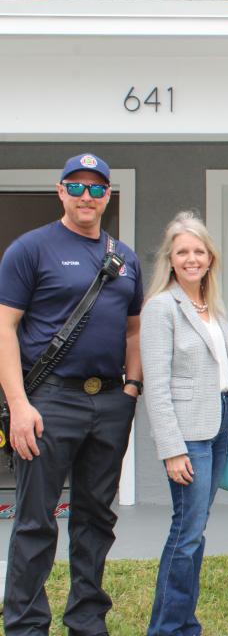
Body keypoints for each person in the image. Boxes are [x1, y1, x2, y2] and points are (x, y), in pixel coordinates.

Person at [0, 153, 143, 635]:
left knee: (95, 519)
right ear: (60, 191)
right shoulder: (30, 249)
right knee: (36, 519)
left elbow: (133, 331)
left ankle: (86, 619)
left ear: (108, 195)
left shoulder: (124, 258)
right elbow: (5, 329)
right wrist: (19, 404)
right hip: (48, 401)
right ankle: (25, 624)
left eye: (96, 188)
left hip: (109, 403)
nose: (87, 196)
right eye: (76, 187)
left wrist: (132, 389)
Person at [138, 212, 228, 635]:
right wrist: (172, 449)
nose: (192, 257)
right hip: (188, 435)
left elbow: (221, 368)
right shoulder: (162, 308)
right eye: (183, 251)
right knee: (186, 532)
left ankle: (184, 623)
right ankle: (166, 628)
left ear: (210, 257)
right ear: (171, 258)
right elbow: (157, 386)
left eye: (199, 250)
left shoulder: (211, 309)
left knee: (195, 530)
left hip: (219, 423)